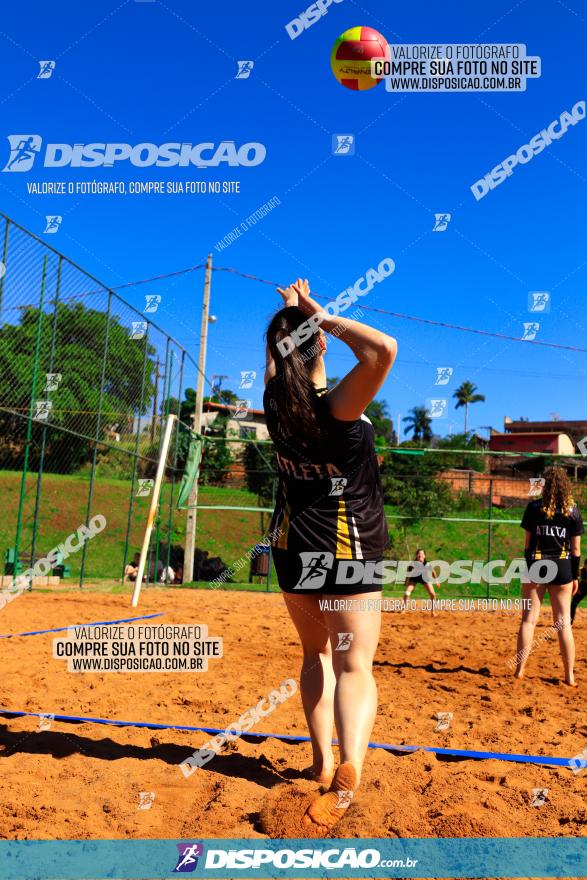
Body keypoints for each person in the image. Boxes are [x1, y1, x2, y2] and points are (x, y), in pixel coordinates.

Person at [263, 277, 397, 832]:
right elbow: (383, 349)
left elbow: (280, 360)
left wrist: (291, 317)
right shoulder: (340, 407)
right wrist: (320, 314)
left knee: (314, 657)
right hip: (349, 554)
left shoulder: (275, 406)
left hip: (293, 553)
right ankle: (350, 766)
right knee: (353, 665)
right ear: (320, 346)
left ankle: (320, 763)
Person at [515, 466, 583, 686]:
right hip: (562, 566)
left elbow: (527, 545)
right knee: (563, 623)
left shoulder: (534, 507)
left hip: (536, 563)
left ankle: (519, 671)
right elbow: (576, 551)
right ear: (565, 485)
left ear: (544, 484)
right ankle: (569, 677)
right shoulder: (573, 511)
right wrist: (574, 577)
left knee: (528, 620)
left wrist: (529, 569)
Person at [570, 558, 587, 624]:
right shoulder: (580, 571)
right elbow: (577, 580)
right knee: (573, 604)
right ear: (585, 565)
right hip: (582, 588)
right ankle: (570, 621)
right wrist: (577, 589)